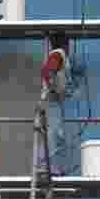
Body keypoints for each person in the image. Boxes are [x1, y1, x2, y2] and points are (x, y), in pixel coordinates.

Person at [39, 31, 73, 176]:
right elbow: (47, 71)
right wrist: (54, 88)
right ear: (66, 44)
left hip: (55, 100)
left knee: (56, 134)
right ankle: (45, 167)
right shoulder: (59, 54)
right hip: (52, 100)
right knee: (53, 133)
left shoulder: (58, 56)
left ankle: (50, 167)